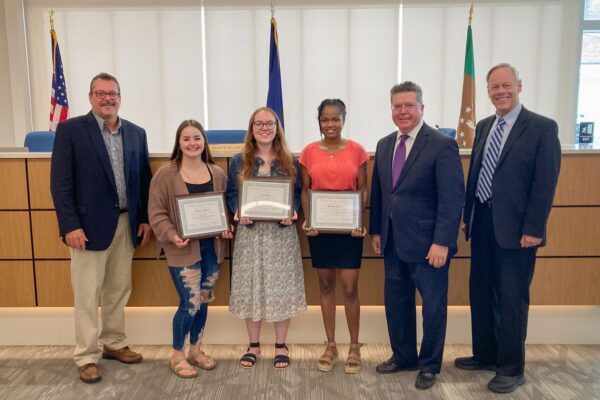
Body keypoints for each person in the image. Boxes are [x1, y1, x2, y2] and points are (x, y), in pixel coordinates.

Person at [455, 63, 561, 394]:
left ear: (519, 85)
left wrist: (534, 228)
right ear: (487, 92)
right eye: (494, 87)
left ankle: (512, 368)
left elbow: (545, 183)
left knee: (511, 298)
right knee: (481, 291)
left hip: (518, 231)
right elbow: (478, 175)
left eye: (506, 86)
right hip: (484, 223)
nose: (500, 92)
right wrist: (468, 216)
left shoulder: (542, 127)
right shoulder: (486, 125)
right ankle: (486, 354)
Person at [50, 72, 152, 383]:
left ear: (120, 97)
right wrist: (70, 225)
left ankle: (114, 343)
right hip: (87, 228)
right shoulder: (71, 131)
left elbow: (143, 179)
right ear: (91, 96)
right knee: (86, 293)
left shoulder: (136, 133)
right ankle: (86, 355)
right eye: (100, 93)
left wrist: (144, 217)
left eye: (112, 93)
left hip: (126, 223)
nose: (107, 98)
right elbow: (60, 183)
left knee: (118, 289)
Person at [369, 81, 464, 390]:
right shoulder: (384, 144)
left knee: (433, 307)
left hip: (429, 245)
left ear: (422, 108)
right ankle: (403, 356)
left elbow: (452, 199)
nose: (403, 111)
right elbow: (382, 194)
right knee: (396, 303)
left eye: (410, 105)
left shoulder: (440, 144)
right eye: (398, 106)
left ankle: (429, 364)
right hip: (393, 242)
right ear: (391, 110)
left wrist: (443, 242)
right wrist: (376, 231)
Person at [148, 120, 233, 378]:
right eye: (186, 139)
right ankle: (176, 354)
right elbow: (156, 212)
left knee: (204, 299)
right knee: (189, 302)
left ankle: (195, 349)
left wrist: (227, 227)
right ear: (179, 143)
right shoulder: (165, 174)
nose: (192, 143)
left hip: (212, 249)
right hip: (182, 249)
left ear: (204, 142)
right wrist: (171, 235)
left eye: (197, 138)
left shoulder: (217, 174)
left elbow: (225, 210)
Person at [226, 107, 307, 370]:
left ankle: (281, 345)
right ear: (251, 129)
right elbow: (230, 194)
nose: (264, 128)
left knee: (280, 289)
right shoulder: (239, 160)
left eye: (269, 123)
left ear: (277, 128)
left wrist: (292, 211)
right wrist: (239, 210)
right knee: (252, 288)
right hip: (250, 236)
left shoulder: (290, 160)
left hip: (281, 236)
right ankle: (253, 345)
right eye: (258, 124)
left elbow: (296, 194)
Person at [298, 99, 369, 374]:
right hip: (320, 230)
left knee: (350, 288)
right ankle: (330, 344)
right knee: (326, 286)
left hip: (349, 230)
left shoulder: (357, 151)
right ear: (319, 122)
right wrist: (308, 219)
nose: (330, 124)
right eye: (325, 120)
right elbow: (305, 189)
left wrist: (358, 220)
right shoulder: (308, 152)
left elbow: (363, 189)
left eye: (335, 119)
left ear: (344, 119)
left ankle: (353, 345)